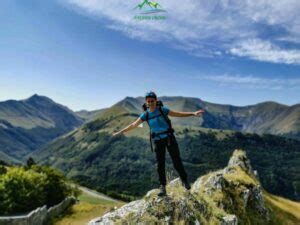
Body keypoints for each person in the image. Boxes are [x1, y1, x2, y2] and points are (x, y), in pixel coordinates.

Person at [112, 91, 205, 196]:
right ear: (146, 102)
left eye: (152, 101)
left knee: (176, 161)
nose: (151, 103)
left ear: (156, 101)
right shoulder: (145, 115)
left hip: (169, 138)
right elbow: (133, 125)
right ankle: (163, 187)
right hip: (158, 141)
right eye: (148, 101)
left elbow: (177, 114)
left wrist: (192, 113)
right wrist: (120, 132)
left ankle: (184, 180)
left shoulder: (162, 110)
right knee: (160, 164)